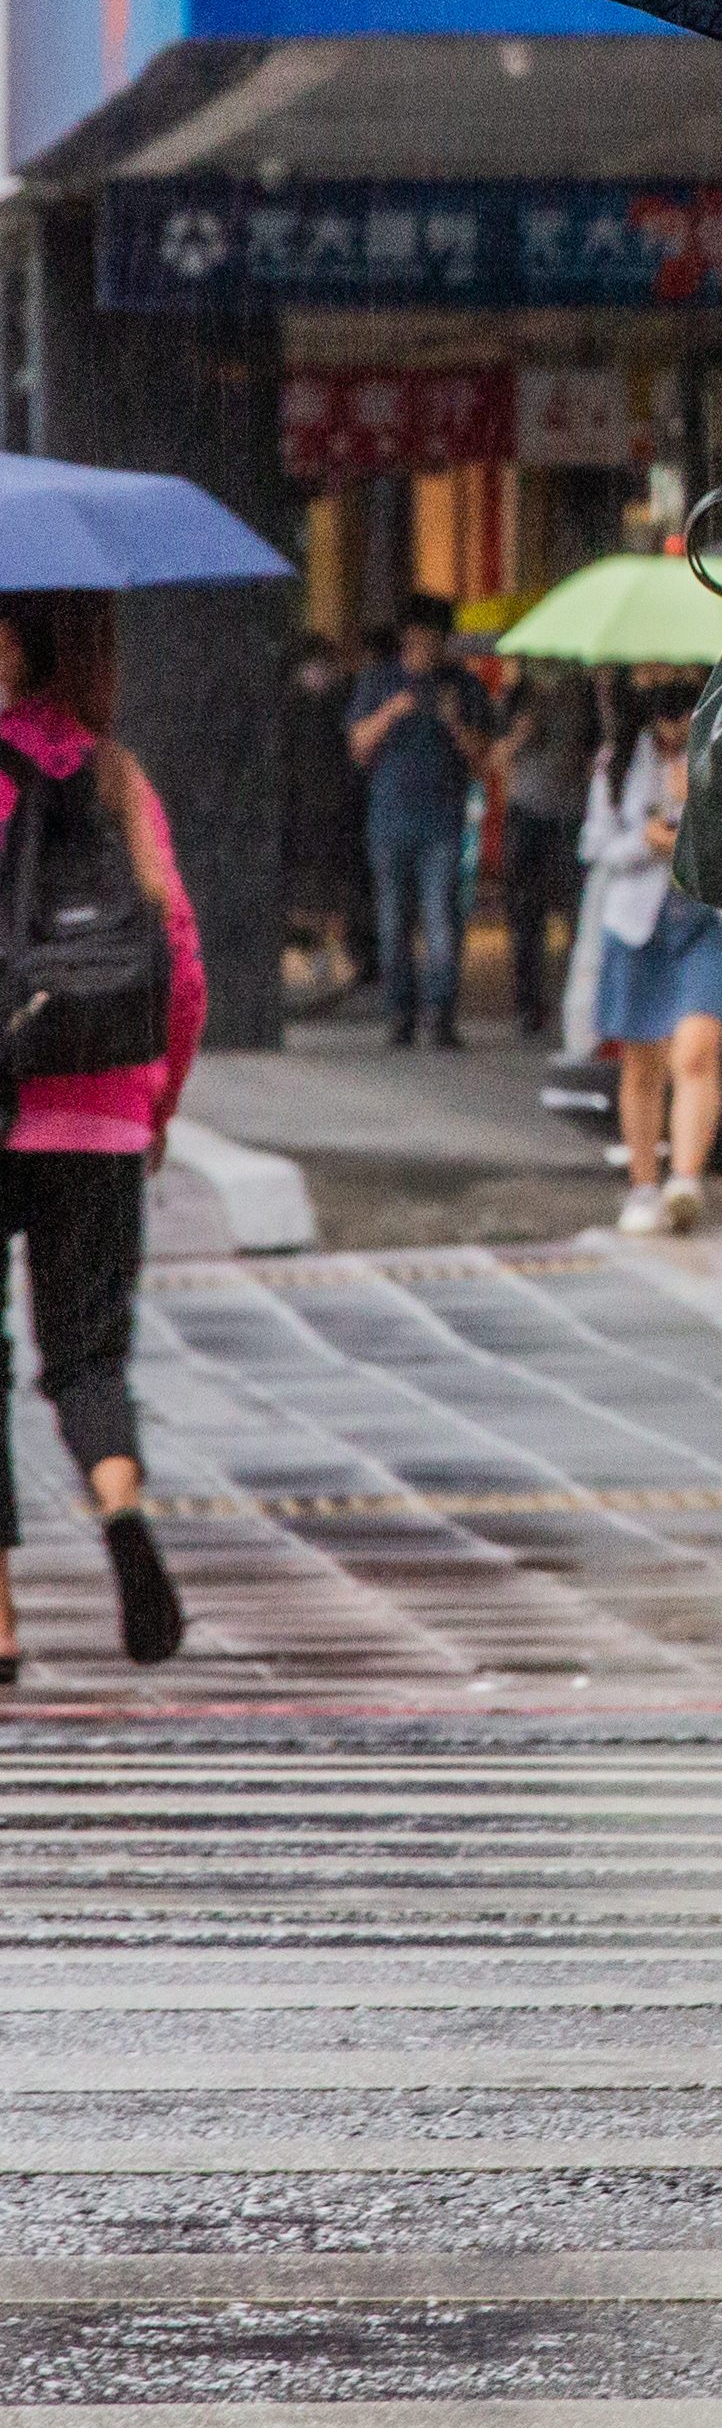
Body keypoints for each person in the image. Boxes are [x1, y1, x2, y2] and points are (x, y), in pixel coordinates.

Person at [0, 593, 202, 1684]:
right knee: (86, 1350)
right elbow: (181, 955)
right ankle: (119, 1501)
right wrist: (153, 1104)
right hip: (104, 1112)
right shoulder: (118, 776)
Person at [580, 674, 722, 1237]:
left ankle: (686, 1181)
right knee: (642, 1059)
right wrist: (646, 840)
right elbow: (595, 846)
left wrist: (700, 802)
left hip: (710, 919)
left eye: (686, 721)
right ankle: (644, 1187)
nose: (675, 736)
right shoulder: (619, 760)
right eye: (666, 725)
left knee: (698, 1049)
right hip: (637, 923)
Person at [345, 593, 492, 1048]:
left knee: (441, 918)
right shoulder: (378, 681)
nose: (427, 645)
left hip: (443, 821)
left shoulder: (463, 687)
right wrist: (390, 713)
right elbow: (357, 747)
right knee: (392, 921)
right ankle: (400, 1015)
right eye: (420, 635)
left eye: (435, 638)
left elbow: (482, 758)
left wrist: (454, 724)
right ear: (407, 636)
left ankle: (442, 1015)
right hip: (389, 819)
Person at [493, 665, 597, 1034]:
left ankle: (577, 999)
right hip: (527, 814)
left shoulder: (583, 692)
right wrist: (519, 736)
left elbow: (594, 753)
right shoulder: (516, 696)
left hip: (570, 814)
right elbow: (494, 758)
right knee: (526, 915)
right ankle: (528, 1004)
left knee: (576, 912)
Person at [279, 633, 369, 1005]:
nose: (319, 674)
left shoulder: (336, 702)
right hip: (309, 816)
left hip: (329, 816)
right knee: (312, 896)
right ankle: (322, 963)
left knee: (327, 895)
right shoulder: (296, 705)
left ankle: (327, 964)